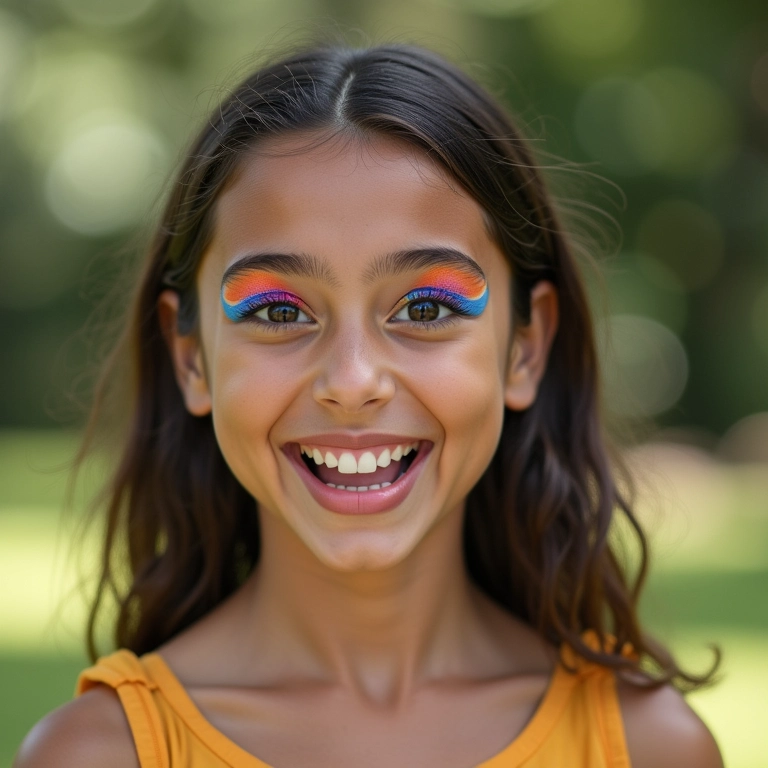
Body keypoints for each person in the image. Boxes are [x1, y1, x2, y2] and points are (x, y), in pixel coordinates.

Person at [14, 43, 722, 768]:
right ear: (191, 357)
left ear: (525, 346)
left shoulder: (650, 747)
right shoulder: (102, 754)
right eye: (279, 312)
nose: (352, 381)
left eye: (426, 306)